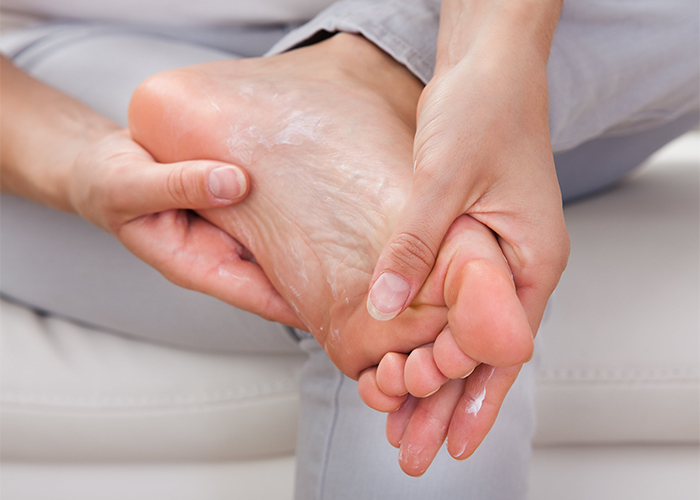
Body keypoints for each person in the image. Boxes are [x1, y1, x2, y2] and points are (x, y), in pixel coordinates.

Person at [1, 0, 698, 499]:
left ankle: (368, 78)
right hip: (72, 68)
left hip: (481, 27)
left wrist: (491, 66)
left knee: (417, 266)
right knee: (417, 292)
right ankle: (361, 109)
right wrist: (76, 158)